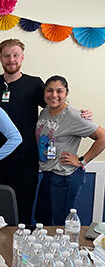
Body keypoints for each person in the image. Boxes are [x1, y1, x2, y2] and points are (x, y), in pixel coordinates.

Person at [0, 39, 92, 224]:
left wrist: (80, 113)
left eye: (15, 55)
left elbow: (56, 105)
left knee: (22, 210)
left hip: (25, 160)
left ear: (22, 57)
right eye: (7, 55)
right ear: (0, 58)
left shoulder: (34, 84)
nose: (11, 60)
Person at [35, 76, 105, 225]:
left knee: (62, 222)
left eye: (59, 91)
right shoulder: (44, 112)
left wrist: (82, 160)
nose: (54, 95)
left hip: (65, 176)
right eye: (50, 90)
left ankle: (64, 249)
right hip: (48, 174)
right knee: (42, 217)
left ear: (66, 93)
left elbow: (102, 137)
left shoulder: (73, 116)